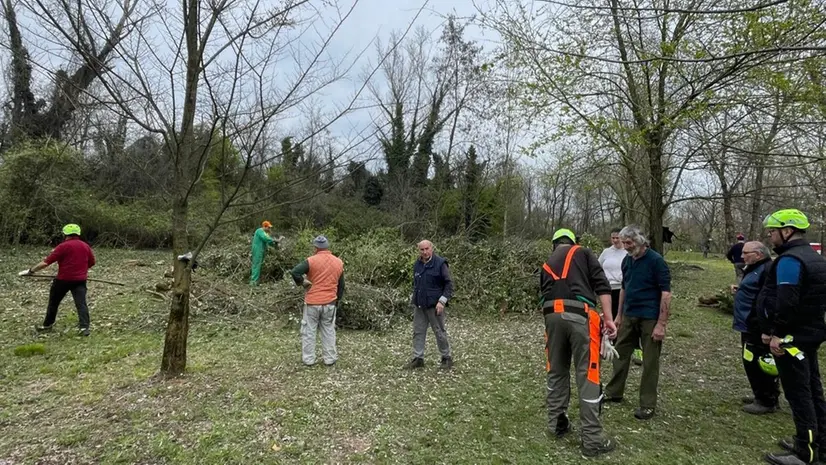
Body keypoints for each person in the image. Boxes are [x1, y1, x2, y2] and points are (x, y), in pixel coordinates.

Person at [756, 210, 826, 465]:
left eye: (773, 232)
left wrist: (778, 335)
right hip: (810, 334)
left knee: (799, 394)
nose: (770, 238)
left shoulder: (790, 260)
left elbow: (786, 303)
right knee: (813, 390)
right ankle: (820, 443)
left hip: (792, 339)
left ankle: (804, 452)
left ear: (787, 231)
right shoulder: (815, 258)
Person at [541, 228, 618, 457]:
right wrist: (608, 320)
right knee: (588, 375)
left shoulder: (547, 263)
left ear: (555, 244)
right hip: (581, 316)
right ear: (573, 242)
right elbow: (602, 286)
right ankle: (592, 440)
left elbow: (544, 296)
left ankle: (556, 425)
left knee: (556, 371)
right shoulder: (584, 253)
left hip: (551, 317)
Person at [604, 225, 672, 420]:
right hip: (629, 315)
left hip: (650, 317)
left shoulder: (656, 261)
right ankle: (614, 392)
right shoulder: (627, 260)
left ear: (640, 240)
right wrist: (619, 315)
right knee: (619, 353)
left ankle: (647, 404)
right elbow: (624, 288)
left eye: (629, 242)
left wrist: (661, 324)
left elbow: (666, 294)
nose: (625, 246)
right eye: (623, 243)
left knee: (650, 361)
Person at [19, 224, 96, 336]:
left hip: (63, 280)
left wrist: (31, 271)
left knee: (53, 303)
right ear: (78, 233)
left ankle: (47, 325)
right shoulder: (85, 246)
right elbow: (92, 262)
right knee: (81, 304)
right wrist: (81, 270)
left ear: (65, 234)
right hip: (80, 280)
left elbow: (46, 263)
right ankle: (84, 328)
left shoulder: (63, 246)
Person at [731, 241, 778, 415]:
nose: (742, 256)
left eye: (746, 253)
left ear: (758, 254)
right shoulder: (753, 268)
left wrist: (766, 328)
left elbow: (768, 299)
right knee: (751, 360)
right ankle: (761, 394)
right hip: (747, 323)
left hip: (757, 325)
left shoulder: (767, 270)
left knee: (759, 362)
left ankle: (766, 400)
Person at [290, 235, 344, 367]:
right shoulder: (338, 262)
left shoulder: (310, 261)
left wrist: (302, 282)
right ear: (327, 247)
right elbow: (341, 285)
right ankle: (330, 359)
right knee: (328, 330)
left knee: (309, 331)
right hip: (330, 302)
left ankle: (309, 359)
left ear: (315, 248)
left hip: (313, 302)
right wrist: (337, 300)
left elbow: (295, 272)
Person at [405, 240, 454, 370]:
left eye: (427, 249)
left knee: (439, 332)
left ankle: (446, 358)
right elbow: (416, 284)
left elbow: (449, 285)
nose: (425, 252)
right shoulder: (417, 264)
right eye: (422, 250)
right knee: (418, 332)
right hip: (420, 305)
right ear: (418, 250)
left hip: (435, 305)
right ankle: (418, 358)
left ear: (432, 248)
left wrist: (442, 301)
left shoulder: (440, 264)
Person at [599, 228, 642, 366]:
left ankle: (635, 349)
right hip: (607, 289)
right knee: (608, 317)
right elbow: (597, 267)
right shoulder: (606, 252)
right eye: (613, 238)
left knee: (624, 318)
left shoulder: (628, 252)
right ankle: (609, 344)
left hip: (623, 288)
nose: (616, 240)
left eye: (618, 238)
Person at [250, 220, 284, 286]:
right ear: (264, 227)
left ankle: (256, 281)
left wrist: (275, 245)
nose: (269, 229)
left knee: (258, 265)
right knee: (256, 265)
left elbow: (269, 242)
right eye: (268, 227)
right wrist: (276, 240)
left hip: (261, 251)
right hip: (257, 250)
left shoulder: (265, 233)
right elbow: (266, 239)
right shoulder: (259, 231)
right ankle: (253, 282)